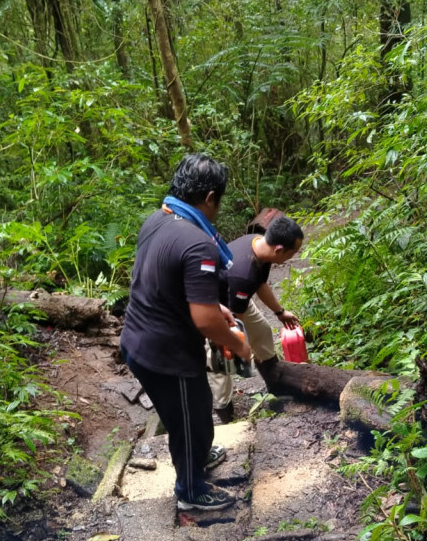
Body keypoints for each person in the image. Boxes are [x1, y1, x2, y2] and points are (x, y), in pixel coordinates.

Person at [120, 154, 252, 511]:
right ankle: (191, 492)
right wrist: (238, 344)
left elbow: (163, 278)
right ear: (210, 197)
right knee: (190, 420)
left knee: (195, 408)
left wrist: (213, 304)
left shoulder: (159, 219)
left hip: (139, 339)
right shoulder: (198, 242)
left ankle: (198, 453)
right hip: (165, 355)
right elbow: (205, 322)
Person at [211, 215, 304, 423]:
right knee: (224, 364)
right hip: (213, 308)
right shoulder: (244, 272)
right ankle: (226, 415)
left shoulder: (259, 244)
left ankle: (275, 383)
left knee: (261, 332)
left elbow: (260, 284)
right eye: (292, 253)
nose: (292, 257)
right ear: (279, 249)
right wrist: (241, 347)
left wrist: (280, 312)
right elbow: (235, 321)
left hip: (237, 298)